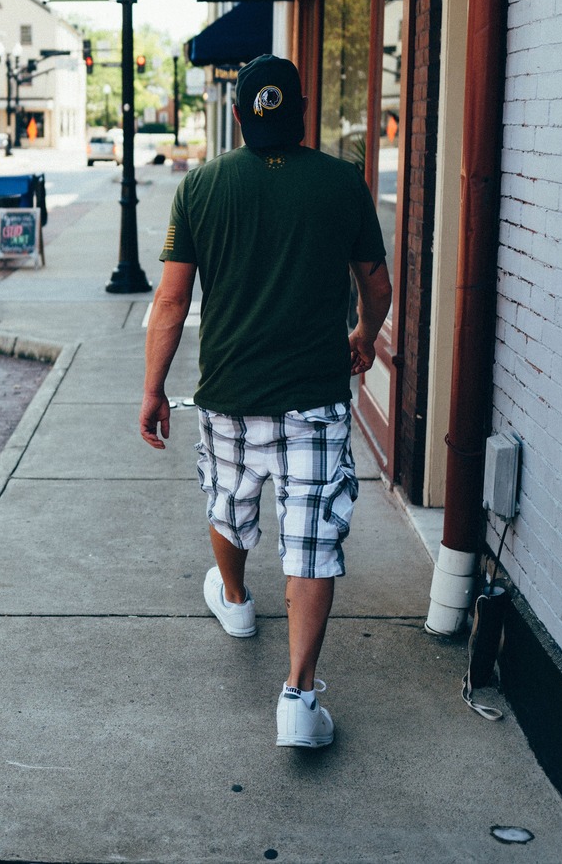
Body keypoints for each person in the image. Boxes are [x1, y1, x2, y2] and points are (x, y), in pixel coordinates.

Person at [140, 53, 392, 748]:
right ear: (304, 109)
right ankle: (299, 699)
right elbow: (377, 286)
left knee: (230, 501)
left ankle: (239, 602)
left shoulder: (203, 185)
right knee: (310, 535)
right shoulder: (343, 184)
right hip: (313, 395)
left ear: (242, 115)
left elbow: (171, 299)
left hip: (229, 392)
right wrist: (363, 338)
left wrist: (153, 386)